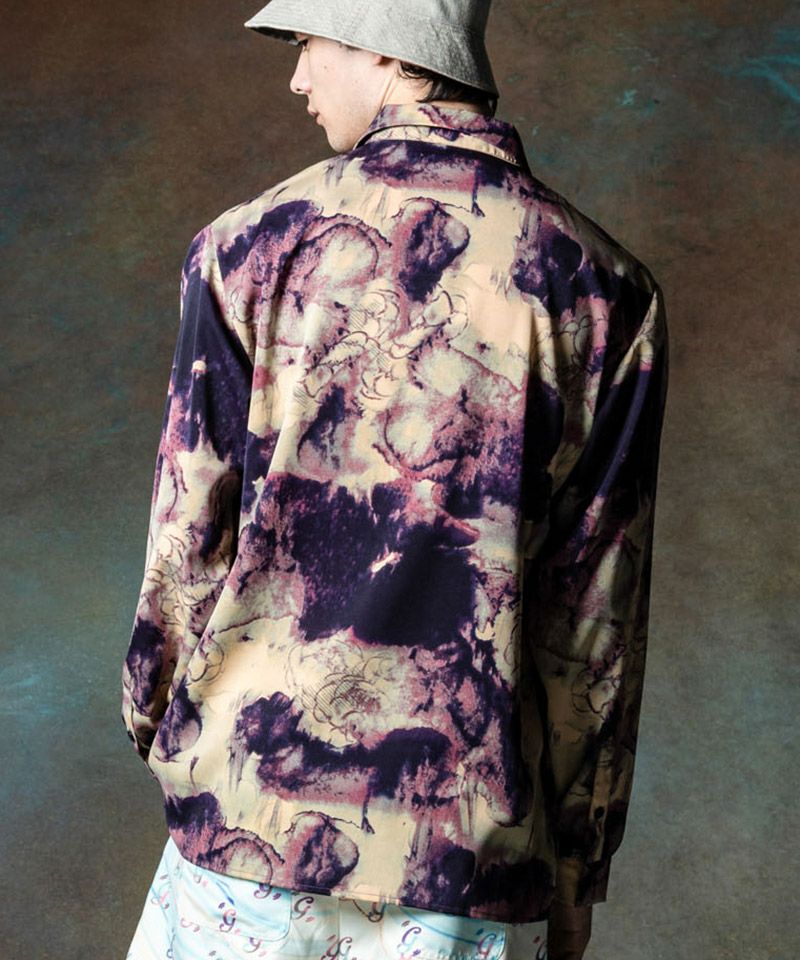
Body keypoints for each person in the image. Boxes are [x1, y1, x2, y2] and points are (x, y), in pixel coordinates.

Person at [121, 1, 669, 958]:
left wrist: (165, 725)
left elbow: (187, 539)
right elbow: (595, 626)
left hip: (244, 811)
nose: (297, 78)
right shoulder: (601, 290)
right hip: (464, 856)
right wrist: (578, 859)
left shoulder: (247, 248)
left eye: (307, 43)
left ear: (384, 47)